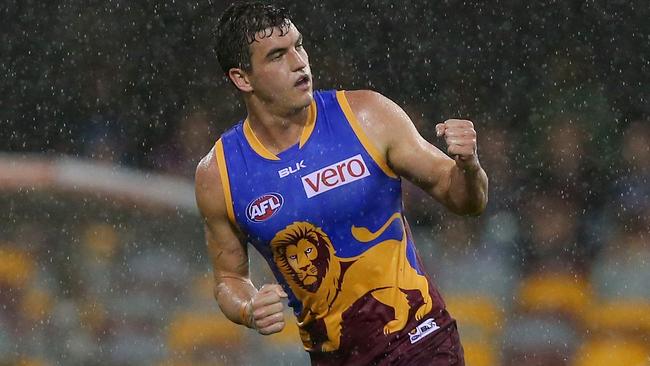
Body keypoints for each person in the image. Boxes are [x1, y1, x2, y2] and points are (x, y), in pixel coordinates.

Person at [195, 2, 488, 365]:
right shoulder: (218, 173)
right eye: (276, 56)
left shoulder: (367, 115)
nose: (298, 61)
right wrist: (248, 308)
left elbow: (464, 200)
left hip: (422, 343)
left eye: (298, 46)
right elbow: (228, 279)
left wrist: (469, 166)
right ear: (242, 78)